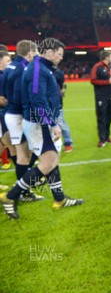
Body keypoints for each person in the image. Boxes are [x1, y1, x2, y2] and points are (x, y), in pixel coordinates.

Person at [1, 38, 83, 219]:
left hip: (38, 122)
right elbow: (37, 100)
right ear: (50, 52)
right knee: (48, 163)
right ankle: (10, 196)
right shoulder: (38, 69)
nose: (61, 58)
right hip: (39, 123)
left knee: (52, 159)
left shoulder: (39, 67)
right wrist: (52, 124)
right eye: (59, 54)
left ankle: (59, 198)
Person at [2, 40, 44, 202]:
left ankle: (24, 188)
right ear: (30, 53)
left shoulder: (11, 66)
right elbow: (22, 96)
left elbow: (5, 93)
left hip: (11, 113)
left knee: (25, 153)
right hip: (19, 115)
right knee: (23, 156)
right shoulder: (23, 69)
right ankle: (23, 192)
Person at [91, 50, 111, 147]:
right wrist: (108, 81)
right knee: (101, 118)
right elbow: (93, 80)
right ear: (106, 57)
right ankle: (101, 139)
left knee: (109, 117)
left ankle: (107, 136)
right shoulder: (97, 67)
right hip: (101, 97)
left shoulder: (110, 67)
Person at [53, 66, 74, 152]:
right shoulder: (41, 71)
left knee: (61, 124)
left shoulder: (58, 73)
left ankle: (68, 142)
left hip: (57, 103)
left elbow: (62, 87)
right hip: (45, 103)